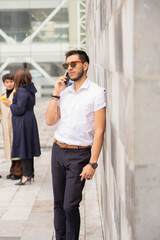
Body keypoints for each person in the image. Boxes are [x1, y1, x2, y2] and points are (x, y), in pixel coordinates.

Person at [46, 50, 106, 240]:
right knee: (58, 203)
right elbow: (50, 120)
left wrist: (93, 162)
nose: (69, 68)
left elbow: (100, 131)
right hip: (58, 150)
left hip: (79, 155)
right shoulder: (65, 92)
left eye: (73, 64)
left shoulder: (96, 92)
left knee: (70, 205)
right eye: (67, 65)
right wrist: (56, 92)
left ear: (85, 65)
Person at [3, 69, 41, 185]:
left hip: (23, 122)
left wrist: (9, 105)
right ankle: (30, 173)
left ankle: (25, 176)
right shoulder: (29, 90)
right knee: (28, 146)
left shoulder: (22, 91)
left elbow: (19, 109)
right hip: (29, 120)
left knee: (24, 148)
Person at [0, 73, 22, 180]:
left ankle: (18, 170)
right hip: (6, 126)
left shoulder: (17, 94)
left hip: (15, 124)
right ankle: (13, 169)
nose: (9, 84)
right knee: (10, 147)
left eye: (11, 82)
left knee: (17, 146)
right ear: (4, 83)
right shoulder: (2, 95)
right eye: (7, 82)